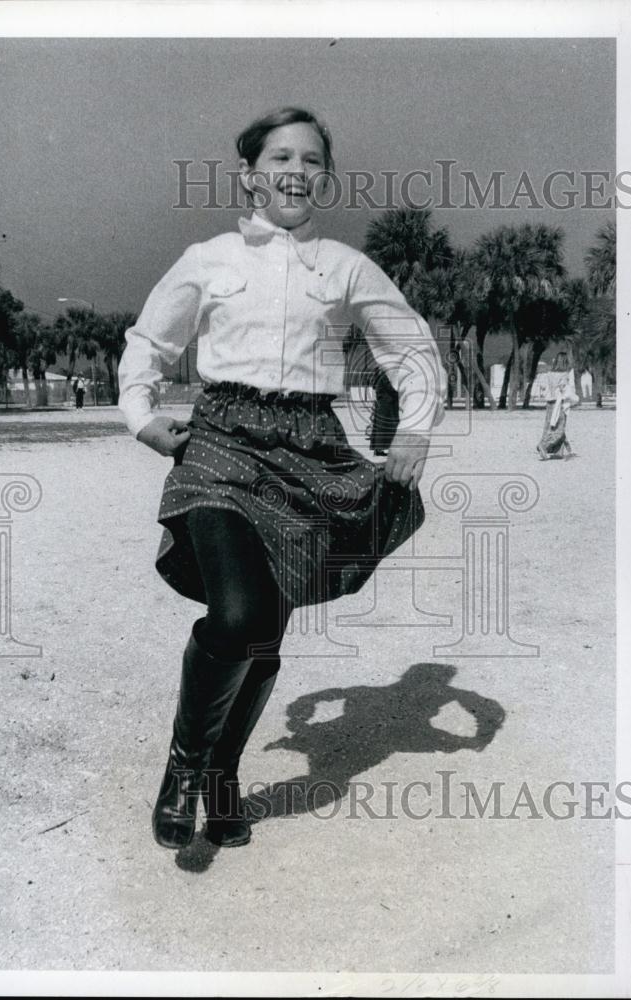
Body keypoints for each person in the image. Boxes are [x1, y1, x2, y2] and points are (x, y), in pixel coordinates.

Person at [118, 106, 446, 851]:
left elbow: (411, 348)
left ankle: (222, 776)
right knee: (236, 616)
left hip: (309, 453)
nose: (294, 171)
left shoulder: (345, 267)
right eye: (279, 158)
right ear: (250, 174)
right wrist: (140, 416)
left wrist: (415, 429)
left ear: (322, 178)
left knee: (264, 629)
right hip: (221, 444)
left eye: (309, 161)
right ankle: (183, 768)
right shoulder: (208, 259)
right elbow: (150, 341)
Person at [537, 351, 579, 459]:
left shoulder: (549, 373)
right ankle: (543, 446)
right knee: (559, 428)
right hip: (558, 403)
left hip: (549, 403)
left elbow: (543, 386)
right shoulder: (565, 374)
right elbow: (563, 388)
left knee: (550, 426)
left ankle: (559, 451)